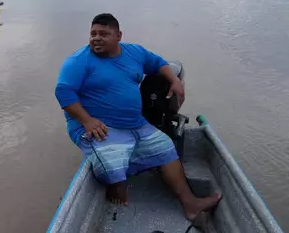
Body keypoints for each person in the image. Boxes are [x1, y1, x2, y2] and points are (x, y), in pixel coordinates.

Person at [54, 13, 221, 221]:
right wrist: (87, 120)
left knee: (166, 147)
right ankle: (117, 187)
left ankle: (191, 204)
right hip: (98, 126)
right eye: (93, 33)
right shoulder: (78, 61)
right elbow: (63, 92)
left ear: (118, 35)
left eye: (104, 34)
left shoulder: (135, 52)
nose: (96, 38)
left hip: (135, 123)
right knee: (113, 166)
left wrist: (174, 81)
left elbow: (158, 63)